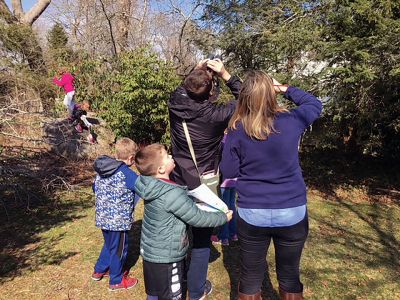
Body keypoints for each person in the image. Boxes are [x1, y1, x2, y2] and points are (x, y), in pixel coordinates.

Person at [220, 70, 322, 300]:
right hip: (292, 211)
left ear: (245, 97)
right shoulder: (292, 121)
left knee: (250, 277)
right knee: (289, 276)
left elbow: (229, 172)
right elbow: (314, 103)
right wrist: (285, 88)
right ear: (270, 95)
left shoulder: (237, 130)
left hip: (253, 212)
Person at [168, 58, 241, 300]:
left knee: (178, 235)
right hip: (204, 185)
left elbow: (186, 87)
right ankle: (196, 290)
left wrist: (199, 71)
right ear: (210, 91)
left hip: (177, 178)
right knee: (200, 242)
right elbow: (246, 97)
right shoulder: (217, 115)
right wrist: (225, 74)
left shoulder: (175, 101)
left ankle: (176, 284)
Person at [134, 143, 233, 300]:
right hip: (168, 257)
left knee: (154, 292)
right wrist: (222, 217)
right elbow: (197, 218)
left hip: (150, 253)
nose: (171, 157)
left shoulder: (149, 185)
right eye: (167, 156)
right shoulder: (171, 194)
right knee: (172, 295)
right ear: (160, 169)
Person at [91, 137, 140, 291]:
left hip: (103, 218)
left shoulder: (103, 169)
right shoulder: (126, 173)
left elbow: (95, 188)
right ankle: (116, 280)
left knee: (109, 245)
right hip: (118, 222)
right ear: (131, 158)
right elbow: (142, 187)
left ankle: (99, 270)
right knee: (119, 250)